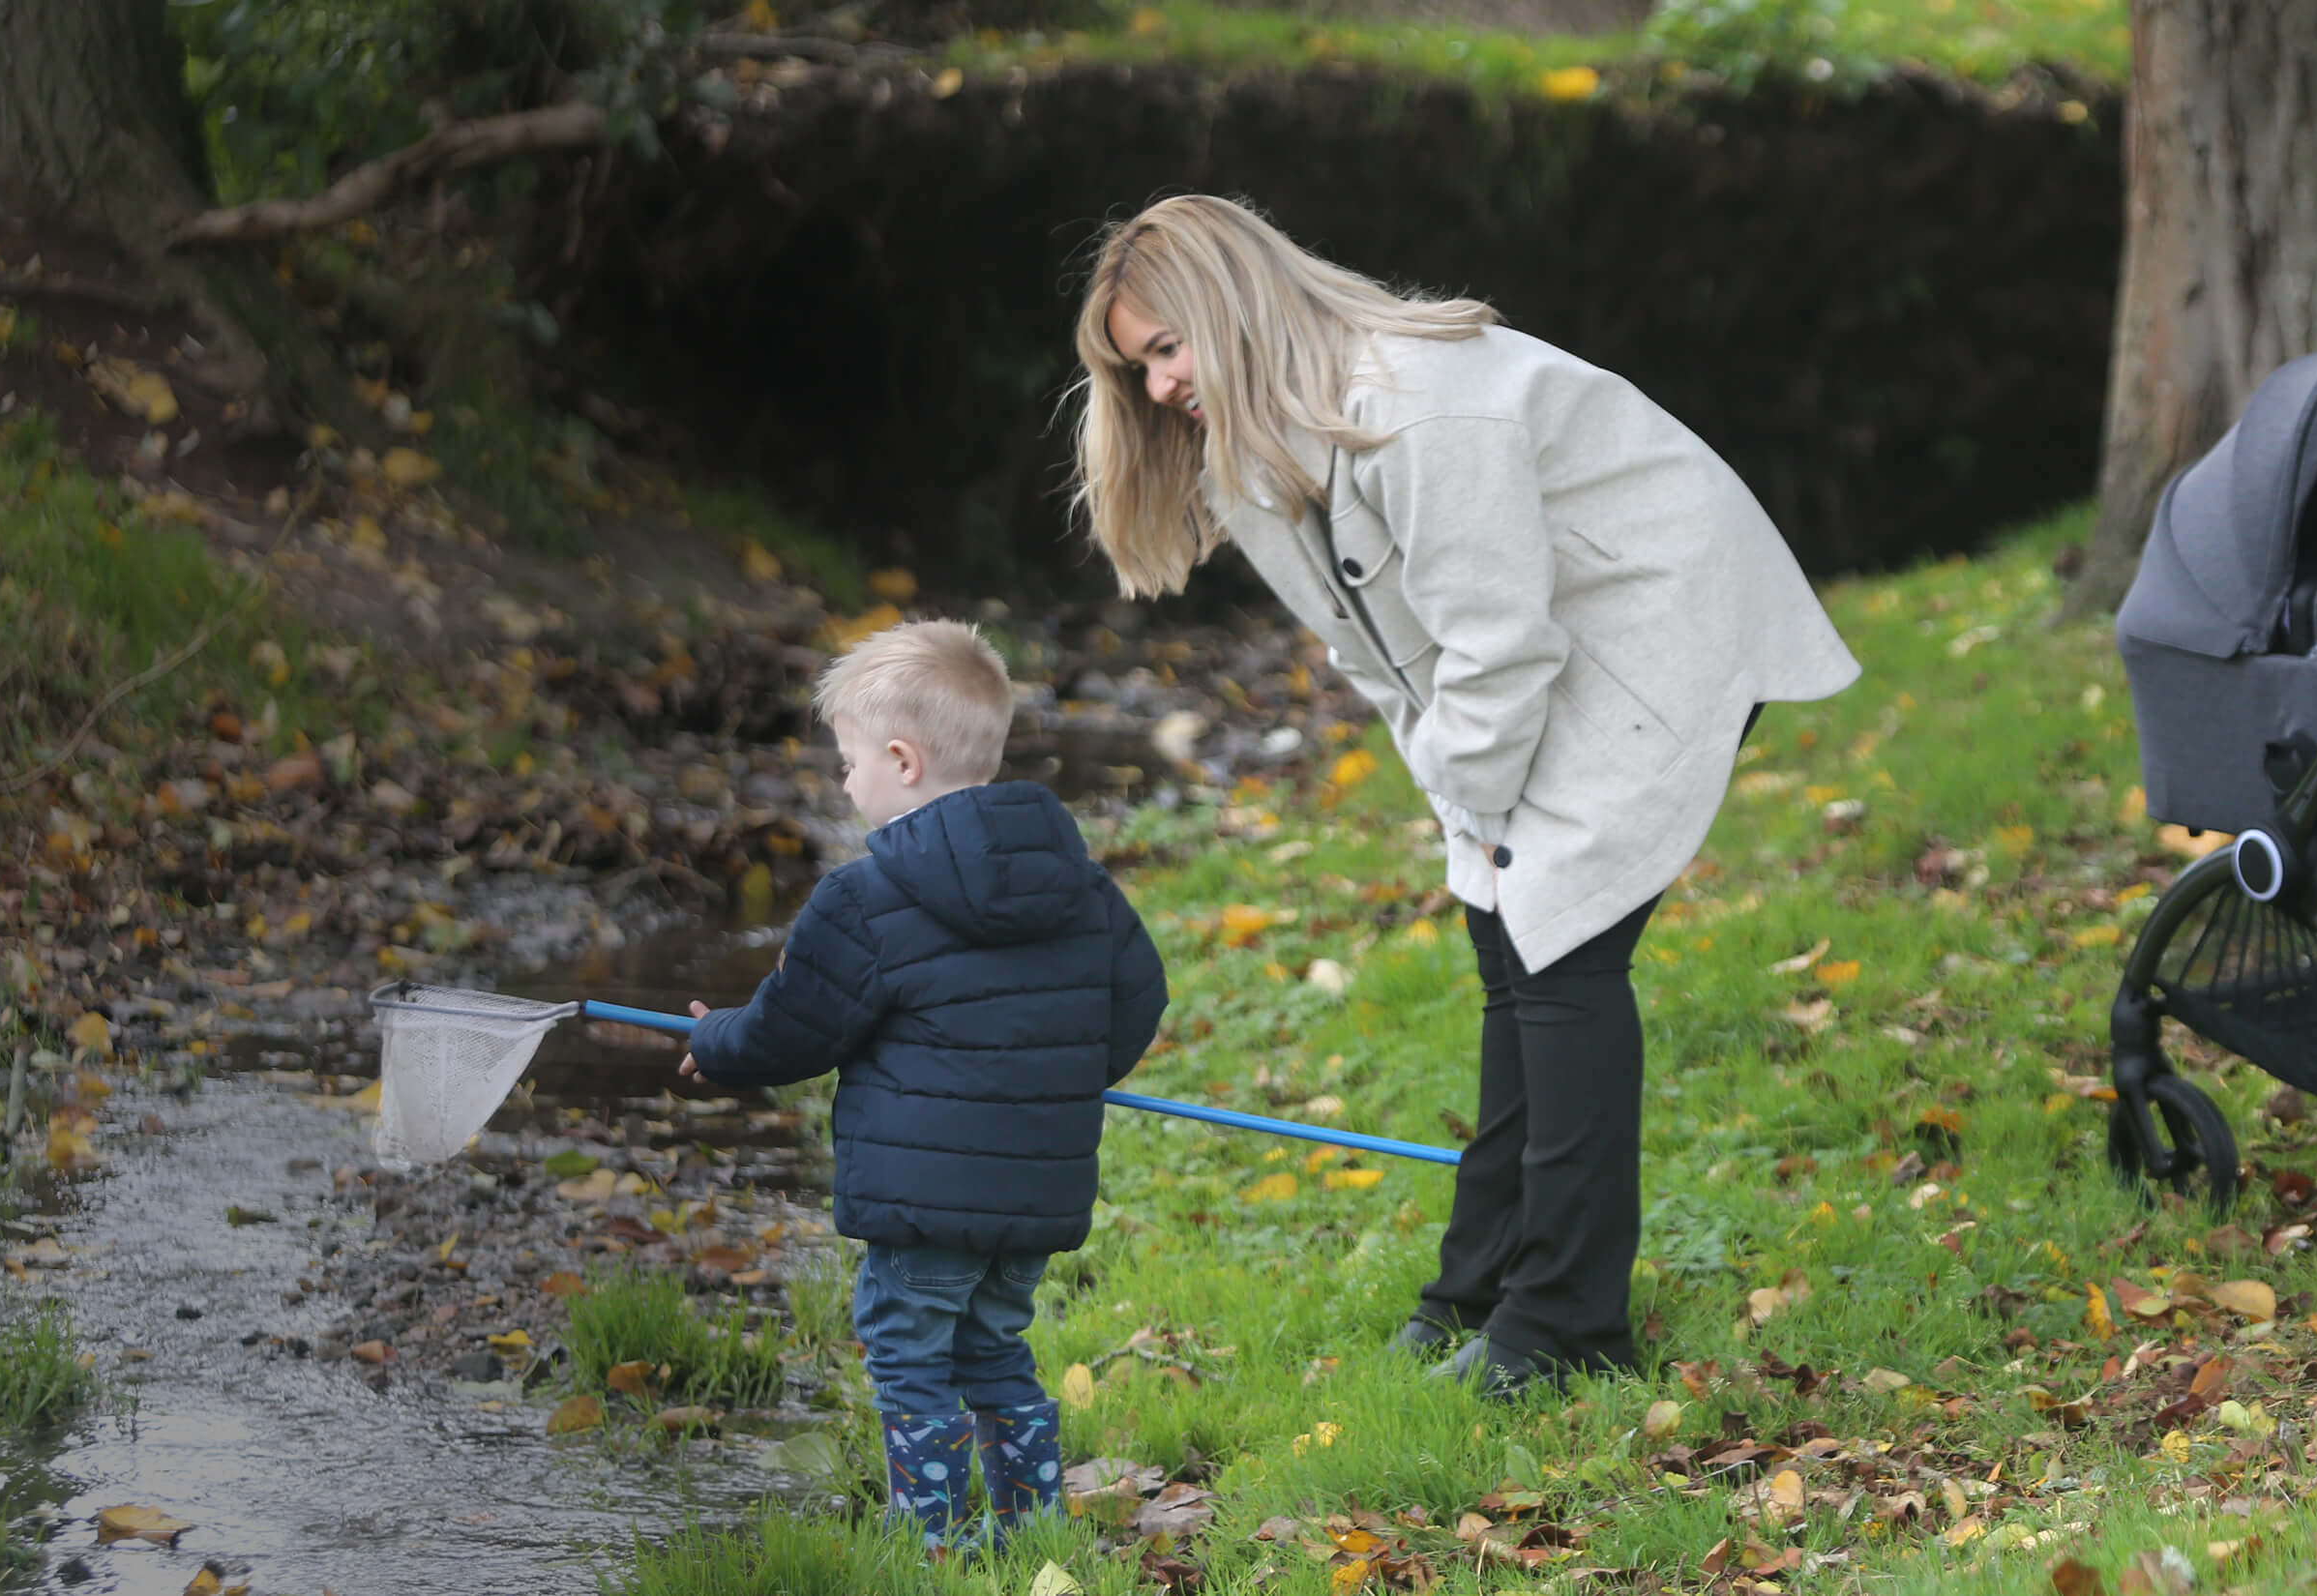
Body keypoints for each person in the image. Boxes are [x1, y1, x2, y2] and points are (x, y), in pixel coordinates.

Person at [1066, 194, 1859, 1394]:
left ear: (1232, 306)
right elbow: (1374, 654)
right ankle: (1476, 1290)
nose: (1164, 384)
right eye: (1143, 365)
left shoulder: (1422, 408)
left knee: (1565, 958)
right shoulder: (1262, 451)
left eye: (1170, 346)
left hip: (1655, 621)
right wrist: (1462, 813)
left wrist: (1480, 799)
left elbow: (1498, 648)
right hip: (1539, 651)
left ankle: (1566, 1326)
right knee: (1509, 948)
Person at [677, 618, 1169, 1549]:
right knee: (994, 1347)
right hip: (1032, 1195)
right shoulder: (1081, 887)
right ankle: (1030, 1530)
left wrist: (719, 1042)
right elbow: (1138, 1001)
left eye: (849, 763)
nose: (846, 783)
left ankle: (931, 1541)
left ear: (901, 761)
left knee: (909, 1354)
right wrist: (1053, 1081)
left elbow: (794, 1027)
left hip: (924, 1206)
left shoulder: (864, 900)